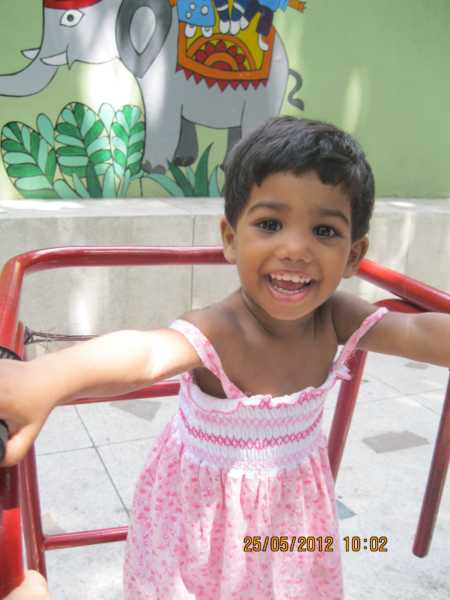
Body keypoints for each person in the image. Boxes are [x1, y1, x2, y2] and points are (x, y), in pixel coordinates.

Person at [0, 117, 449, 599]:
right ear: (232, 238)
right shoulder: (223, 327)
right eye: (270, 224)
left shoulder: (336, 317)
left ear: (354, 253)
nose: (295, 248)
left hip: (292, 514)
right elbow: (147, 353)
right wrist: (48, 376)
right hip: (204, 521)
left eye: (324, 230)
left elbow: (417, 330)